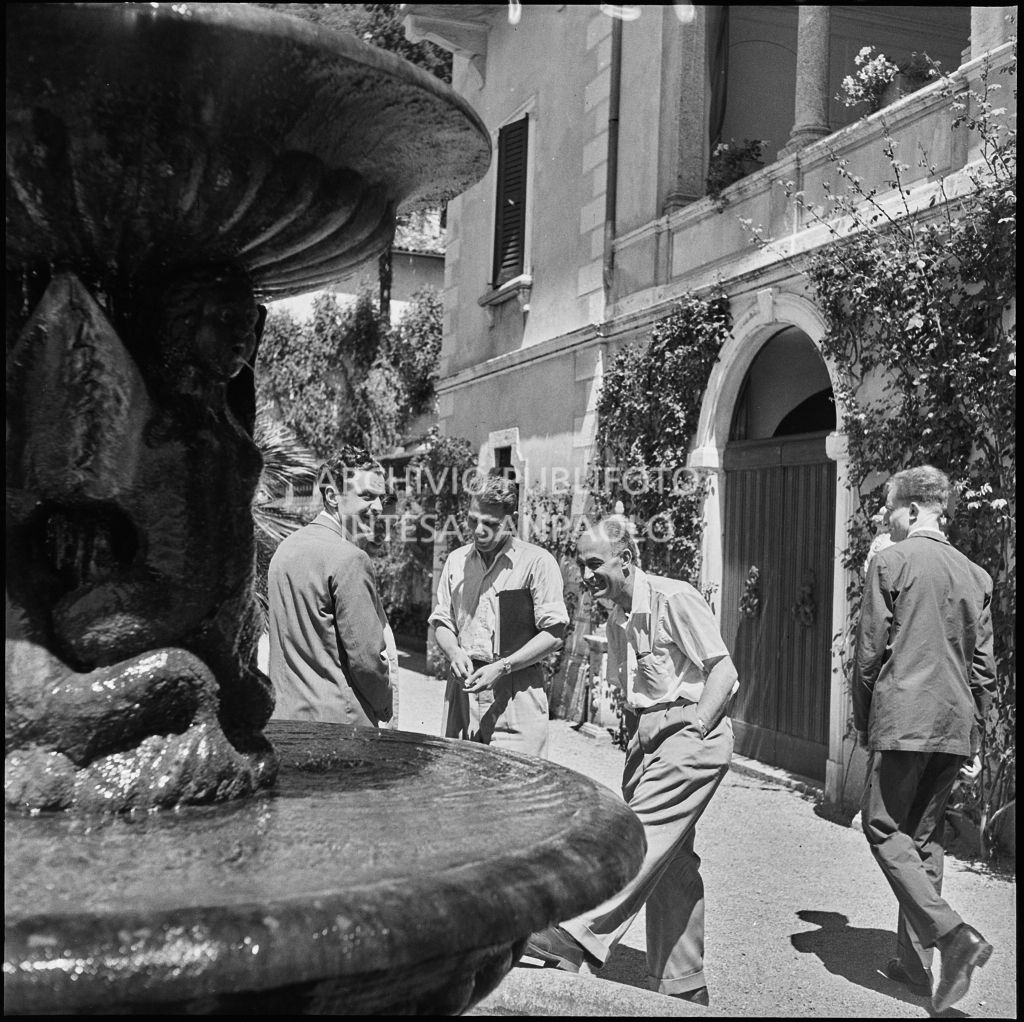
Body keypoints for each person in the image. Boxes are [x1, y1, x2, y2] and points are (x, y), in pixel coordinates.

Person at [524, 513, 739, 1005]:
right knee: (672, 861)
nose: (585, 574)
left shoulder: (673, 597)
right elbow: (638, 692)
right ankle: (684, 985)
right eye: (581, 564)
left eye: (594, 563)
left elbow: (723, 669)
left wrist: (698, 727)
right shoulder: (616, 615)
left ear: (626, 560)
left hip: (689, 732)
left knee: (638, 835)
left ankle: (577, 934)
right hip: (648, 739)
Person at [853, 465, 996, 1013]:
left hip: (904, 717)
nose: (886, 521)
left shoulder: (891, 561)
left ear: (912, 510)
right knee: (925, 838)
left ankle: (955, 938)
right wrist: (975, 738)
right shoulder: (976, 575)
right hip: (954, 725)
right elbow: (983, 668)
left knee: (883, 826)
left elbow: (869, 654)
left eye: (890, 510)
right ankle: (915, 968)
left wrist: (867, 723)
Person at [429, 471, 568, 758]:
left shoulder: (537, 563)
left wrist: (502, 666)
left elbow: (554, 634)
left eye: (490, 524)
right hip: (463, 692)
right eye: (472, 519)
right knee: (459, 787)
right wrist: (455, 653)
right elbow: (442, 620)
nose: (478, 530)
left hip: (516, 694)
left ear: (511, 519)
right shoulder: (456, 561)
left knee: (513, 791)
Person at [267, 445, 393, 728]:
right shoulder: (350, 558)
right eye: (367, 496)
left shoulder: (285, 550)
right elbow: (366, 660)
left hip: (285, 720)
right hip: (339, 725)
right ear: (333, 496)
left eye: (381, 498)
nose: (379, 507)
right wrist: (385, 705)